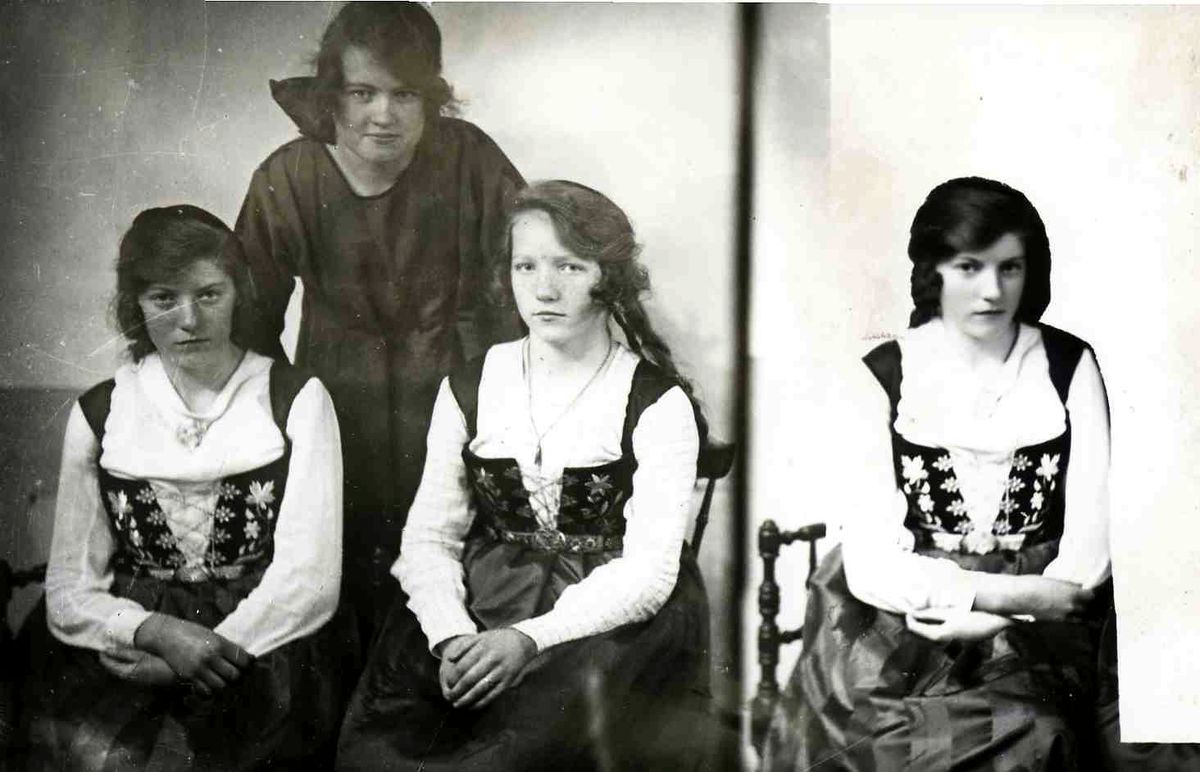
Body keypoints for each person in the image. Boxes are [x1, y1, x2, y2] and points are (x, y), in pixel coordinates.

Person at [335, 181, 712, 770]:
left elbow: (649, 573)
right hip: (481, 597)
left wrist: (531, 638)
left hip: (606, 621)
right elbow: (429, 537)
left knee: (520, 755)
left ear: (609, 278)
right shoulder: (470, 384)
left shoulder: (655, 402)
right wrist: (450, 634)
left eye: (570, 266)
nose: (544, 288)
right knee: (380, 750)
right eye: (526, 265)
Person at [762, 178, 1116, 770]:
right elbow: (871, 563)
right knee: (886, 742)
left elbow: (1088, 553)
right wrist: (993, 595)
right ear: (934, 271)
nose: (992, 290)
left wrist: (1003, 617)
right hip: (902, 615)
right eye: (969, 267)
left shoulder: (1068, 364)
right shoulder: (884, 371)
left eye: (1010, 267)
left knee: (1038, 731)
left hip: (1046, 619)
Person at [18, 206, 349, 769]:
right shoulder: (101, 410)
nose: (189, 319)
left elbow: (310, 580)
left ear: (239, 293)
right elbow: (70, 588)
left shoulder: (295, 398)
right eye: (164, 299)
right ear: (136, 305)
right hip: (131, 640)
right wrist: (152, 632)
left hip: (262, 637)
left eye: (209, 294)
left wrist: (200, 654)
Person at [235, 2, 524, 637]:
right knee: (340, 595)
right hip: (335, 411)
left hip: (453, 407)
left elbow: (524, 290)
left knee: (446, 587)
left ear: (431, 99)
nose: (384, 115)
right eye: (362, 92)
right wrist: (291, 423)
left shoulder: (470, 160)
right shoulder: (289, 176)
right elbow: (248, 325)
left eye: (405, 94)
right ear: (331, 96)